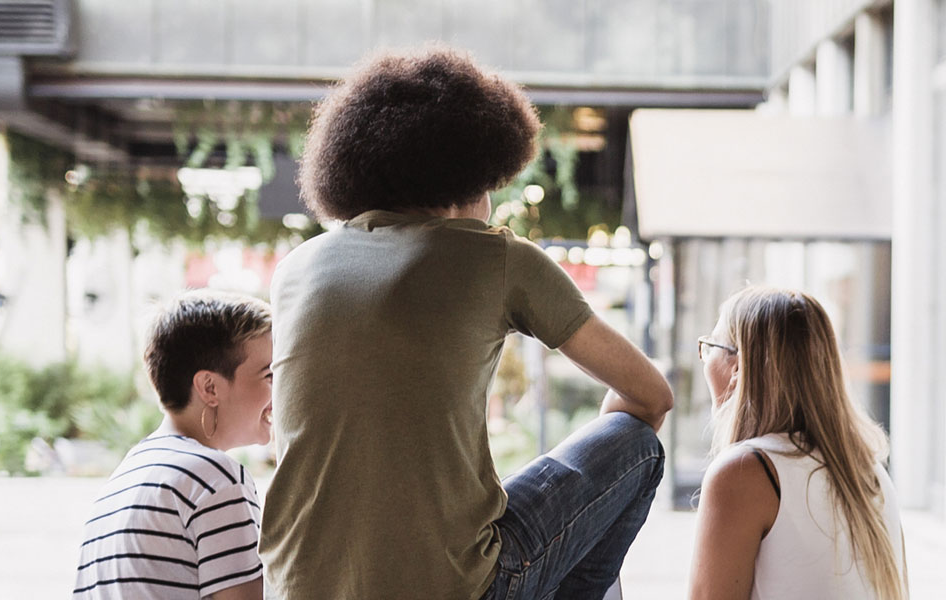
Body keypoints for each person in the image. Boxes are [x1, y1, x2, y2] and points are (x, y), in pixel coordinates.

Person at [263, 45, 674, 600]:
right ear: (469, 180)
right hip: (453, 587)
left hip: (296, 587)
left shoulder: (295, 270)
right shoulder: (496, 257)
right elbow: (651, 395)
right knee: (635, 445)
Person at [688, 287, 909, 600]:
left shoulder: (746, 472)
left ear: (739, 367)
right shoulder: (870, 473)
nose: (704, 359)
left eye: (709, 347)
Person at [73, 291, 274, 599]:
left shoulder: (119, 484)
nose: (281, 392)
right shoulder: (214, 480)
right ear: (210, 387)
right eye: (269, 375)